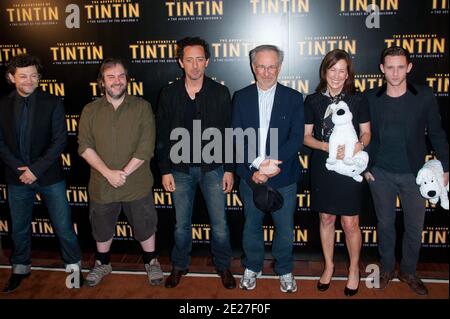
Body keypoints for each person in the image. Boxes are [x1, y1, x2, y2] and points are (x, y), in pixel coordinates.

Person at [364, 46, 449, 296]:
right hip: (380, 174)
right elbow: (362, 135)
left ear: (409, 67)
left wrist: (446, 165)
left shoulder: (424, 96)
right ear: (382, 69)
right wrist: (366, 168)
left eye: (400, 67)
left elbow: (437, 133)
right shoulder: (370, 98)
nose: (395, 72)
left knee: (414, 226)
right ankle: (388, 268)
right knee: (386, 224)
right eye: (390, 67)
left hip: (415, 174)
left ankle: (409, 271)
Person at [156, 37, 236, 289]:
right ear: (180, 62)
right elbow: (162, 136)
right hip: (179, 171)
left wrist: (230, 169)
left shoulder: (220, 92)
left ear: (207, 61)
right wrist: (165, 170)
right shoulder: (168, 94)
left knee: (220, 225)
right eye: (189, 60)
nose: (194, 65)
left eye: (199, 59)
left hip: (213, 169)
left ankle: (223, 267)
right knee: (181, 225)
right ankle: (179, 266)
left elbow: (229, 134)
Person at [78, 58, 163, 287]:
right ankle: (103, 263)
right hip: (102, 184)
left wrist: (123, 173)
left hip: (137, 183)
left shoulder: (142, 107)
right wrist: (108, 173)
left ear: (127, 79)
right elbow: (84, 146)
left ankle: (151, 261)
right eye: (111, 77)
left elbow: (146, 147)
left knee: (145, 224)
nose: (117, 81)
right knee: (101, 227)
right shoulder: (90, 110)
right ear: (101, 82)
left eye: (121, 76)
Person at [0, 54, 82, 292]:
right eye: (23, 76)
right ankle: (20, 268)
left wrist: (34, 170)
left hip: (48, 177)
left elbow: (59, 141)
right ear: (11, 77)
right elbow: (1, 143)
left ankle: (74, 269)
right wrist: (20, 170)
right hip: (16, 177)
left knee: (64, 226)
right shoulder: (2, 105)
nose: (29, 80)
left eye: (34, 75)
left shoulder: (52, 102)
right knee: (19, 227)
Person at [232, 45, 304, 293]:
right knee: (251, 224)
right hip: (251, 175)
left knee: (284, 228)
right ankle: (252, 266)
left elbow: (296, 139)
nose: (266, 72)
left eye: (271, 66)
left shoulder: (294, 98)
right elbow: (236, 137)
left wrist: (272, 165)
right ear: (253, 67)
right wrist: (257, 165)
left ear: (279, 67)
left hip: (283, 176)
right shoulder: (241, 97)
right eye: (261, 66)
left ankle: (284, 269)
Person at [303, 49, 371, 296]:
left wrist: (359, 146)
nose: (337, 75)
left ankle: (354, 269)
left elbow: (366, 132)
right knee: (327, 219)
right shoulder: (312, 101)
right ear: (325, 71)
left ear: (348, 74)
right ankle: (329, 266)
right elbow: (306, 137)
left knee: (351, 222)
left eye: (342, 70)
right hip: (325, 165)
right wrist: (327, 147)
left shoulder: (358, 99)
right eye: (332, 70)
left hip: (350, 166)